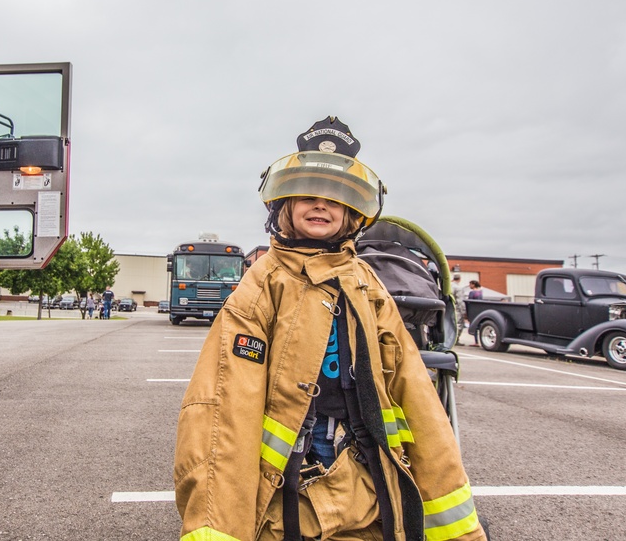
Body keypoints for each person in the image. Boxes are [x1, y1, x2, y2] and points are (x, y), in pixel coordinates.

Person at [174, 116, 485, 541]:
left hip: (364, 467)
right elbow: (224, 408)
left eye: (337, 198)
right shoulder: (264, 282)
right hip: (288, 479)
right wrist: (218, 528)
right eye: (308, 195)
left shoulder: (365, 282)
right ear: (282, 206)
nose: (322, 204)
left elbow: (413, 391)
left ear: (352, 216)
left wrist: (456, 531)